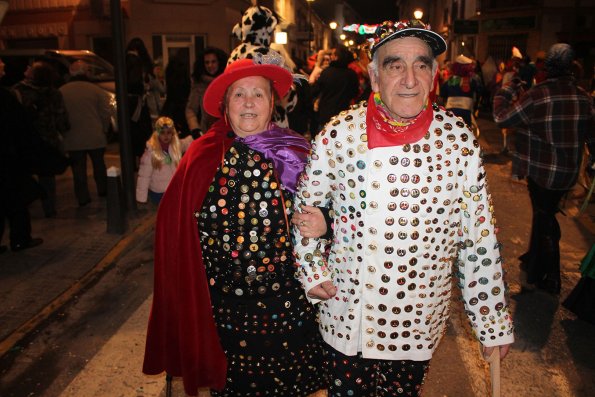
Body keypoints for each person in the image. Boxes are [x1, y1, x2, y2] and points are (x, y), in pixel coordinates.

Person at [292, 19, 514, 397]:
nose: (409, 79)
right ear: (375, 77)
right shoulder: (338, 133)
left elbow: (478, 239)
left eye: (421, 65)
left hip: (418, 317)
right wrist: (313, 270)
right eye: (396, 65)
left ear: (433, 76)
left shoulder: (459, 140)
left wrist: (491, 321)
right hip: (349, 315)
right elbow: (305, 210)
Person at [142, 56, 328, 396]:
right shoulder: (201, 155)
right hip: (226, 314)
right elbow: (175, 237)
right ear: (224, 105)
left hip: (288, 307)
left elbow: (335, 214)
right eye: (238, 94)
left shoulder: (297, 152)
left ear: (272, 103)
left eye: (257, 94)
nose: (248, 102)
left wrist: (324, 223)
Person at [493, 43, 595, 294]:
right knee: (544, 214)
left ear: (548, 68)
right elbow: (592, 136)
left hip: (542, 172)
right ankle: (534, 262)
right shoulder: (583, 96)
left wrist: (507, 90)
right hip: (568, 173)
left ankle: (550, 277)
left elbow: (501, 117)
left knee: (545, 216)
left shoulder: (539, 95)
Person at [12, 60, 70, 218]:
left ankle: (24, 205)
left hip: (26, 140)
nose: (27, 68)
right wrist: (63, 132)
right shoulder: (53, 92)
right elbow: (61, 116)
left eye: (31, 68)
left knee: (25, 173)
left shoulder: (19, 91)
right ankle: (49, 208)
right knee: (47, 177)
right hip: (47, 139)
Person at [0, 58, 43, 253]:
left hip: (8, 157)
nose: (3, 65)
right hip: (7, 159)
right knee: (15, 201)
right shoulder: (5, 97)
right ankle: (20, 239)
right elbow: (20, 126)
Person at [59, 60, 112, 207]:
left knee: (78, 169)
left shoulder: (63, 91)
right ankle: (103, 190)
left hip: (73, 137)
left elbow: (60, 114)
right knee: (99, 165)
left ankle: (82, 197)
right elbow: (105, 113)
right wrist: (105, 129)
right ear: (86, 72)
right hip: (95, 135)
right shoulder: (96, 90)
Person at [135, 116, 192, 205]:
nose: (166, 136)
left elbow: (186, 143)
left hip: (174, 189)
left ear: (172, 133)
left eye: (169, 132)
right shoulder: (151, 152)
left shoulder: (175, 146)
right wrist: (141, 196)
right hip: (159, 193)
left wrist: (195, 137)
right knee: (164, 215)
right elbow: (144, 176)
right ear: (157, 133)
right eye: (162, 132)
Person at [311, 45, 359, 133]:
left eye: (332, 54)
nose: (330, 56)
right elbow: (355, 93)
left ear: (336, 57)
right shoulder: (351, 74)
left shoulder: (327, 72)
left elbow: (315, 90)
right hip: (344, 114)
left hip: (326, 114)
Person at [185, 47, 228, 138]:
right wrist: (195, 129)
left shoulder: (227, 82)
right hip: (207, 132)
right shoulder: (199, 84)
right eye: (207, 62)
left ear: (219, 62)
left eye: (213, 62)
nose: (210, 65)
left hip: (228, 131)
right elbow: (191, 109)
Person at [125, 38, 155, 165]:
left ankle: (132, 162)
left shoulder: (125, 60)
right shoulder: (138, 62)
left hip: (130, 103)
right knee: (142, 134)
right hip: (139, 104)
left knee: (131, 134)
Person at [440, 54, 480, 126]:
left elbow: (442, 93)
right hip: (466, 111)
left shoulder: (450, 80)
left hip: (451, 110)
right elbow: (479, 92)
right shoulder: (472, 81)